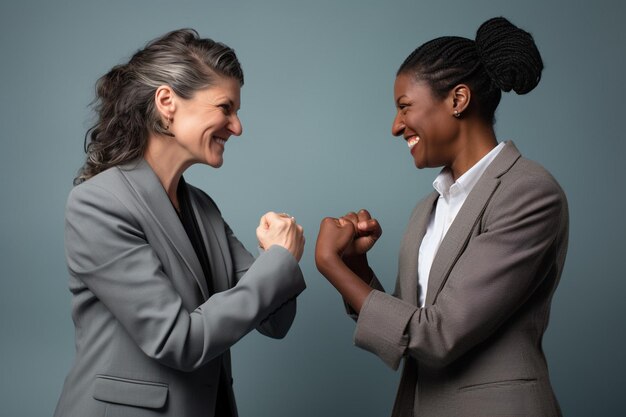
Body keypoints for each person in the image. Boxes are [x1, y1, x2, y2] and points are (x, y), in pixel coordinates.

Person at [315, 17, 568, 417]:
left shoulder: (528, 192)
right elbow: (407, 324)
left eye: (404, 107)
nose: (396, 126)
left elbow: (437, 334)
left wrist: (330, 266)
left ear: (458, 99)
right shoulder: (427, 209)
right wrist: (357, 268)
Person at [54, 29, 306, 417]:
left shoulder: (202, 208)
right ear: (167, 101)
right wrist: (277, 259)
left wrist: (274, 256)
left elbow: (275, 321)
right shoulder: (99, 203)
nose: (237, 127)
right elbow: (178, 341)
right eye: (225, 108)